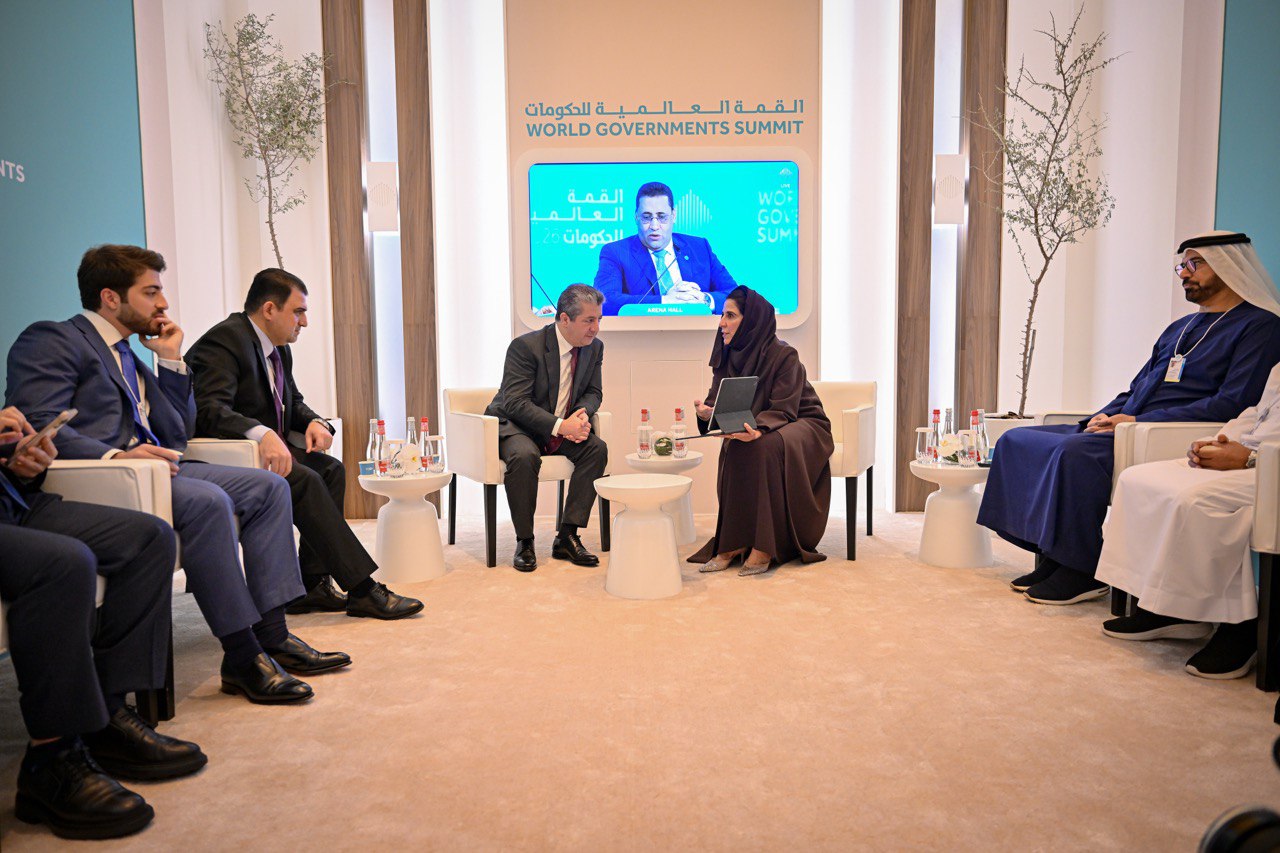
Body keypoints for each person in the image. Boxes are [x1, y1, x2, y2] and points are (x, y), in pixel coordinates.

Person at [5, 244, 349, 705]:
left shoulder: (129, 355)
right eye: (151, 292)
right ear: (110, 297)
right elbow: (40, 422)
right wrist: (115, 456)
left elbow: (176, 433)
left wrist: (170, 361)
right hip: (110, 478)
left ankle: (273, 635)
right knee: (209, 503)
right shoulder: (53, 339)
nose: (163, 303)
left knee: (270, 487)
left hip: (164, 468)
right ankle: (243, 655)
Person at [978, 231, 1280, 605]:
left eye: (1194, 264)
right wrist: (1104, 415)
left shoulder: (1260, 327)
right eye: (1181, 266)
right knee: (1017, 440)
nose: (1185, 273)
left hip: (1168, 432)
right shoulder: (1180, 328)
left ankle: (1082, 569)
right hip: (1130, 425)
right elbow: (1138, 387)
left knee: (1073, 454)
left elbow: (1233, 403)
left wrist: (1134, 423)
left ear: (1228, 264)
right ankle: (1054, 553)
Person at [0, 406, 205, 840]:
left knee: (150, 538)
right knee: (64, 563)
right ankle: (51, 760)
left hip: (13, 503)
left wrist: (20, 461)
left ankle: (107, 717)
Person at [186, 268, 423, 619]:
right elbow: (209, 411)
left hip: (265, 453)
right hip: (229, 458)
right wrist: (261, 433)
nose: (305, 322)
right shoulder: (223, 342)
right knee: (307, 480)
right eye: (298, 312)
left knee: (330, 470)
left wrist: (315, 422)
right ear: (269, 309)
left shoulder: (278, 348)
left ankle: (312, 586)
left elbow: (293, 402)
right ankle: (363, 589)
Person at [1095, 359, 1280, 680]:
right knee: (1136, 479)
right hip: (1245, 455)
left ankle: (1241, 626)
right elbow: (1255, 413)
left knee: (1192, 499)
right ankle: (1165, 607)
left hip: (1268, 467)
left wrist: (1250, 458)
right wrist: (1218, 440)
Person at [688, 286, 833, 575]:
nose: (722, 323)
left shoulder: (784, 355)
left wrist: (758, 429)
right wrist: (707, 413)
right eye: (722, 315)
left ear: (751, 320)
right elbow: (718, 401)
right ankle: (734, 542)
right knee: (738, 443)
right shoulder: (727, 354)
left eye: (730, 316)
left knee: (763, 445)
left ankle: (766, 545)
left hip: (803, 423)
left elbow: (785, 407)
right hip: (761, 424)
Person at [484, 284, 608, 571]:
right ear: (564, 319)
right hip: (517, 425)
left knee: (596, 450)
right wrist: (561, 426)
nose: (596, 328)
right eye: (589, 320)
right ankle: (525, 541)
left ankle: (567, 536)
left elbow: (594, 392)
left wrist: (580, 415)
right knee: (524, 456)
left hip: (560, 424)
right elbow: (515, 403)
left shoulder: (595, 348)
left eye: (599, 319)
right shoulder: (525, 347)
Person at [593, 181, 737, 315]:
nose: (654, 226)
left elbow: (735, 295)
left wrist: (704, 300)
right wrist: (666, 301)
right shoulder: (616, 252)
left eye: (662, 217)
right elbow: (604, 301)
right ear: (636, 217)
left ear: (673, 216)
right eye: (646, 217)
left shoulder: (699, 248)